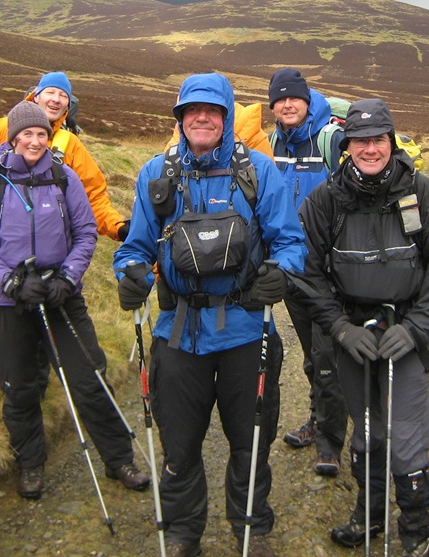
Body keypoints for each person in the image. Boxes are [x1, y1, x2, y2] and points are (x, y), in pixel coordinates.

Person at [113, 72, 308, 557]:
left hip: (247, 329)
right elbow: (135, 248)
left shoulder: (258, 172)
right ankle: (184, 534)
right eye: (192, 111)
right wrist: (130, 274)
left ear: (227, 117)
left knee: (251, 442)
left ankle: (251, 529)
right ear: (180, 118)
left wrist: (282, 272)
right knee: (180, 445)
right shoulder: (156, 173)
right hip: (178, 333)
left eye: (212, 110)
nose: (202, 118)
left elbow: (290, 240)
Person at [0, 101, 149, 498]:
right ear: (13, 138)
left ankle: (119, 459)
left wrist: (68, 276)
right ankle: (30, 464)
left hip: (62, 298)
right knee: (20, 387)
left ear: (50, 137)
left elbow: (85, 232)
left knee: (90, 380)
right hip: (9, 303)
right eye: (26, 134)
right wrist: (9, 282)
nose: (34, 141)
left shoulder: (64, 177)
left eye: (41, 134)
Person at [300, 98, 429, 557]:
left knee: (406, 436)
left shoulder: (421, 192)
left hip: (406, 331)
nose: (370, 149)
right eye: (360, 141)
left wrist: (416, 329)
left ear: (391, 142)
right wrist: (339, 328)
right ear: (346, 146)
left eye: (378, 139)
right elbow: (307, 273)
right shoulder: (326, 199)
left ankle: (415, 530)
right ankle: (368, 515)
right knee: (367, 431)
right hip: (353, 334)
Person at [0, 70, 129, 242]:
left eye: (63, 95)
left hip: (52, 246)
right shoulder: (3, 128)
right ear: (36, 96)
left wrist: (117, 227)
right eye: (50, 92)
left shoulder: (70, 144)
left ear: (68, 105)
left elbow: (93, 195)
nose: (56, 99)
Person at [267, 68, 348, 477]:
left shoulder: (331, 140)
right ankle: (319, 419)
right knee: (312, 356)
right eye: (279, 99)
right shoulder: (273, 143)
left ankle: (331, 444)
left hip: (329, 274)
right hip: (292, 269)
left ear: (306, 99)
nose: (287, 105)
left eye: (293, 98)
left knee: (327, 355)